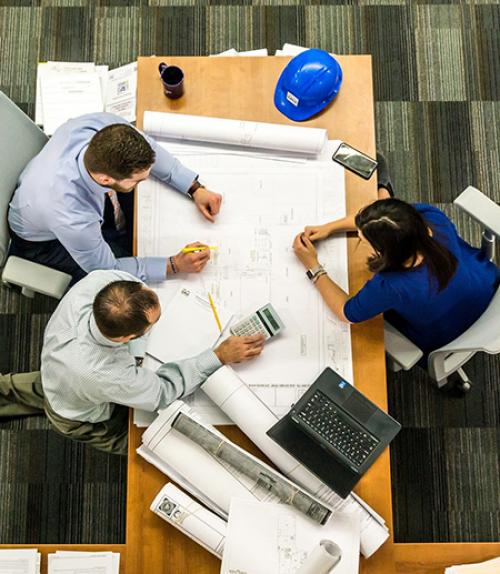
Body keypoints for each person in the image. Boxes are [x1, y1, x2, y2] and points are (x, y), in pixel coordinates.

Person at [0, 270, 265, 454]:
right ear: (126, 337)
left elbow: (131, 283)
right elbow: (161, 392)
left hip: (54, 370)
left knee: (20, 389)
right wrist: (217, 355)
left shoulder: (100, 282)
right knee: (147, 444)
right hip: (77, 414)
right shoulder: (105, 373)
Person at [292, 161, 498, 387]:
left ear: (385, 252)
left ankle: (383, 188)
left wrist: (313, 266)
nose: (360, 238)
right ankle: (384, 189)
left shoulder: (392, 285)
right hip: (486, 287)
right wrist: (330, 227)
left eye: (363, 239)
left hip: (445, 334)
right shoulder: (431, 218)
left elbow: (347, 312)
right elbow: (385, 221)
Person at [8, 112, 223, 284]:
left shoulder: (103, 127)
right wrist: (174, 265)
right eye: (137, 180)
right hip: (44, 242)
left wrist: (194, 188)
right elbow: (108, 269)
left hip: (48, 192)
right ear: (105, 179)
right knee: (122, 283)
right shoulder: (71, 216)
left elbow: (151, 149)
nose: (144, 181)